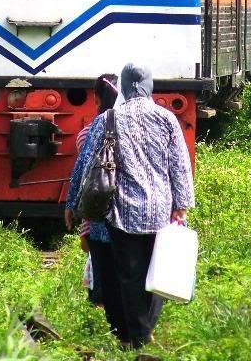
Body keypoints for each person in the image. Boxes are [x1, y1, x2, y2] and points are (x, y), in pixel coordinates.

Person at [67, 63, 195, 350]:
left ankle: (138, 337)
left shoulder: (109, 118)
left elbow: (88, 164)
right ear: (150, 86)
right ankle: (144, 332)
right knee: (156, 271)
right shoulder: (166, 118)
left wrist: (74, 203)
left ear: (123, 87)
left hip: (122, 211)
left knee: (129, 275)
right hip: (160, 210)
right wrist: (182, 205)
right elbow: (180, 164)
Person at [67, 74, 120, 318]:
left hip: (98, 210)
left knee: (100, 263)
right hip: (129, 214)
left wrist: (72, 203)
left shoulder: (91, 130)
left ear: (96, 99)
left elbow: (85, 166)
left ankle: (101, 309)